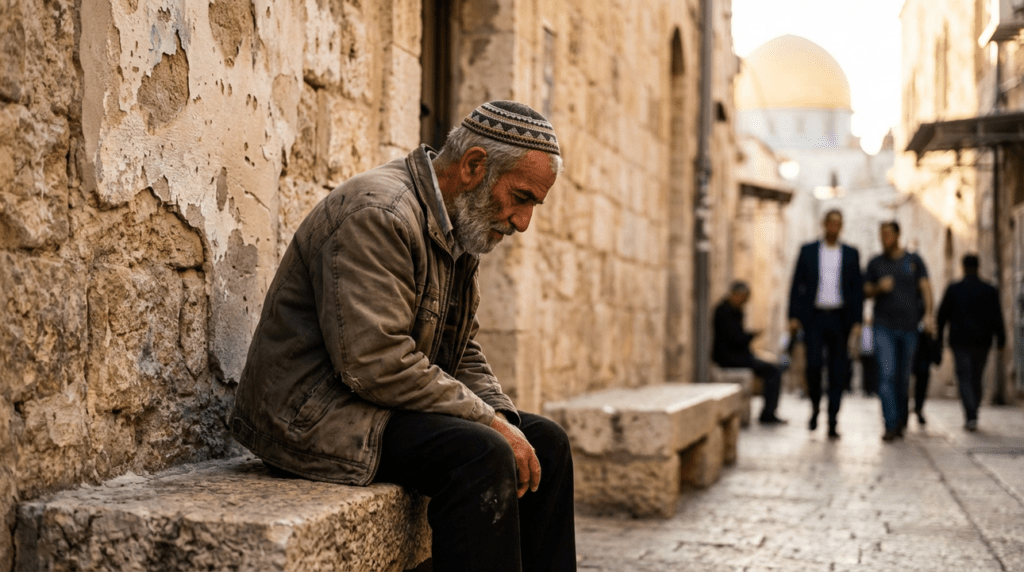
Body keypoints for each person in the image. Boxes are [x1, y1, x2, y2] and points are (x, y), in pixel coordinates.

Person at [230, 101, 576, 571]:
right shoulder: (380, 213)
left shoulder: (460, 226)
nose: (522, 222)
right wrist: (491, 427)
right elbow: (374, 362)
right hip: (313, 418)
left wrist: (499, 414)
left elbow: (461, 350)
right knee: (482, 455)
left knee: (545, 446)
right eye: (520, 197)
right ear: (474, 165)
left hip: (378, 407)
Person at [787, 210, 863, 439]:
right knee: (813, 365)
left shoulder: (851, 254)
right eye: (830, 223)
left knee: (838, 369)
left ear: (841, 227)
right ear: (824, 224)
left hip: (840, 318)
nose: (833, 227)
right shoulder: (808, 251)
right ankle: (814, 408)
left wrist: (858, 320)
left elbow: (857, 289)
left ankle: (832, 418)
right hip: (815, 317)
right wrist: (792, 315)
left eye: (837, 224)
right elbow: (796, 284)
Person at [864, 221, 934, 442]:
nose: (885, 238)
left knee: (903, 379)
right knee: (886, 375)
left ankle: (901, 417)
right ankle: (891, 423)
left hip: (909, 327)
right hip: (883, 326)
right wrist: (878, 288)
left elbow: (925, 287)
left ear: (897, 235)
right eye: (881, 235)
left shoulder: (913, 260)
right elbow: (864, 290)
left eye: (888, 234)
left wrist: (929, 314)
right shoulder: (875, 263)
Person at [937, 254, 1006, 431]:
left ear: (963, 267)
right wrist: (1001, 339)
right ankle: (973, 410)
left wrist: (938, 337)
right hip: (982, 342)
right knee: (976, 377)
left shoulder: (954, 289)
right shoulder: (989, 290)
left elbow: (942, 315)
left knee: (964, 377)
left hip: (960, 342)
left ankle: (971, 413)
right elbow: (996, 317)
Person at [713, 281, 787, 424]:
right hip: (731, 358)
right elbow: (734, 338)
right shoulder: (725, 311)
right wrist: (752, 336)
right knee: (773, 371)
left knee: (773, 367)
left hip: (739, 356)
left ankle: (769, 411)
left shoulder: (733, 311)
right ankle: (768, 413)